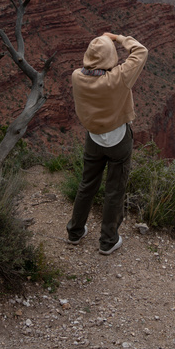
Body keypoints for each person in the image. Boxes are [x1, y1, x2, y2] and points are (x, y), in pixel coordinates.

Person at [66, 31, 148, 253]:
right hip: (118, 140)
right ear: (110, 56)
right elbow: (141, 51)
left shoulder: (76, 76)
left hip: (93, 138)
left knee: (87, 185)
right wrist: (119, 38)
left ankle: (75, 232)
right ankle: (108, 240)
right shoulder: (119, 77)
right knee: (114, 190)